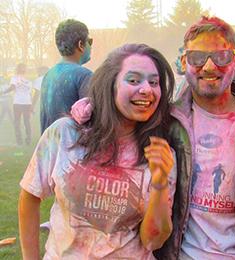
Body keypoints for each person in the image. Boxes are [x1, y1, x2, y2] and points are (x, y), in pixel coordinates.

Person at [72, 16, 235, 259]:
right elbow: (122, 109)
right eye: (198, 57)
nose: (209, 66)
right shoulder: (163, 122)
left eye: (221, 57)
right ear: (184, 62)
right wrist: (92, 107)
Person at [18, 43, 180, 259]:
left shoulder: (159, 153)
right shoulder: (64, 134)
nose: (146, 89)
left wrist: (160, 184)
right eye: (133, 80)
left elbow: (152, 240)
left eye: (154, 82)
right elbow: (30, 196)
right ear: (110, 84)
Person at [40, 19, 93, 134]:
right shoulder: (85, 76)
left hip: (50, 148)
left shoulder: (49, 74)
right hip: (71, 149)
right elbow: (92, 124)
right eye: (90, 41)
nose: (91, 46)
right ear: (81, 45)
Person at [1, 64, 33, 145]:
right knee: (27, 122)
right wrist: (31, 105)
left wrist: (3, 92)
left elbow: (12, 87)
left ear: (17, 69)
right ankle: (28, 140)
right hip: (27, 103)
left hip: (18, 103)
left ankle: (19, 141)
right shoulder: (28, 80)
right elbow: (29, 94)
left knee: (17, 122)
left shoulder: (14, 78)